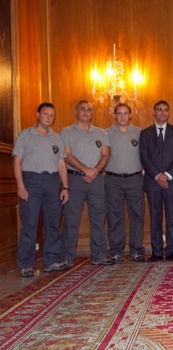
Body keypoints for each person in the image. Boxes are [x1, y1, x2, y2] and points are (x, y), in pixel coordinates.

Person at [13, 103, 70, 277]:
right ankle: (26, 264)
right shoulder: (25, 135)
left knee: (53, 223)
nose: (49, 117)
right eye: (45, 114)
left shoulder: (57, 138)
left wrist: (65, 187)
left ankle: (51, 260)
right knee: (30, 223)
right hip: (31, 181)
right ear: (38, 115)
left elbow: (61, 164)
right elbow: (17, 162)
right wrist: (20, 185)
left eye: (52, 115)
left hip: (53, 182)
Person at [60, 100, 115, 266]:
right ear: (76, 112)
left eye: (89, 110)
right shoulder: (66, 131)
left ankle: (99, 255)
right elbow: (66, 155)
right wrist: (85, 169)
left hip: (97, 180)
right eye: (82, 109)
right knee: (71, 219)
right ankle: (68, 256)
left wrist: (94, 171)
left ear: (93, 113)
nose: (85, 112)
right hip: (74, 180)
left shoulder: (102, 133)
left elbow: (105, 155)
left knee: (98, 218)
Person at [140, 100, 173, 262]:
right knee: (155, 217)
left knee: (171, 218)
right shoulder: (145, 134)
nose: (162, 112)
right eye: (159, 110)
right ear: (154, 112)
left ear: (168, 112)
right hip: (152, 182)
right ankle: (157, 251)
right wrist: (158, 176)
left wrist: (166, 175)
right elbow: (144, 158)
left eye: (165, 110)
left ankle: (172, 250)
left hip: (172, 182)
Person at [105, 103, 145, 263]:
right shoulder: (106, 133)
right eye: (119, 113)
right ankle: (115, 250)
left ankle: (136, 250)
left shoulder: (139, 133)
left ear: (130, 115)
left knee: (137, 215)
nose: (122, 116)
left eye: (125, 113)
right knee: (114, 215)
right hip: (113, 179)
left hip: (135, 179)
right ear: (115, 116)